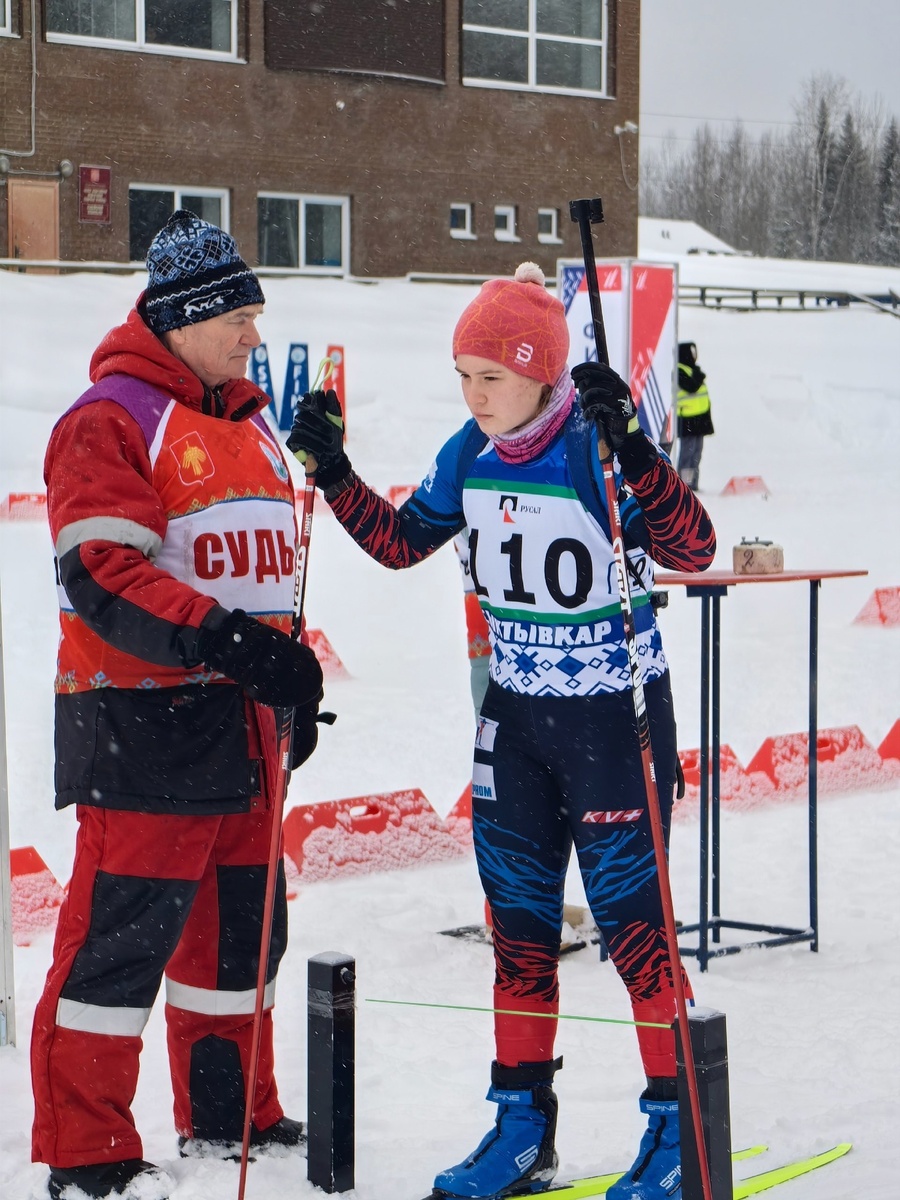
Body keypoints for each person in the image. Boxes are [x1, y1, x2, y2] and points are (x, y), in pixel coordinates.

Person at [288, 262, 717, 1200]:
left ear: (541, 373)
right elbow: (403, 542)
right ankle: (523, 1129)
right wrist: (332, 471)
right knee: (519, 937)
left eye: (492, 376)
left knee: (638, 940)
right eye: (463, 376)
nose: (475, 395)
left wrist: (640, 453)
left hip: (612, 721)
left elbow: (695, 549)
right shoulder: (469, 452)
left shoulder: (594, 450)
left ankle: (679, 1129)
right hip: (515, 724)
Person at [32, 210, 326, 1200]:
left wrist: (290, 674)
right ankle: (88, 1150)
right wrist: (228, 643)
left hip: (244, 726)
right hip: (144, 721)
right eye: (241, 316)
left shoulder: (248, 423)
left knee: (239, 936)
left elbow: (255, 569)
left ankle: (230, 1114)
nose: (255, 335)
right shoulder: (107, 418)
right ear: (187, 319)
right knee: (121, 943)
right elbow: (104, 576)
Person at [675, 342, 714, 491]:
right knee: (687, 454)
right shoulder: (679, 370)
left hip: (699, 419)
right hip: (688, 420)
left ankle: (693, 483)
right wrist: (698, 374)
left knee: (696, 453)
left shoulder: (693, 370)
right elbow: (691, 386)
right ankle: (684, 485)